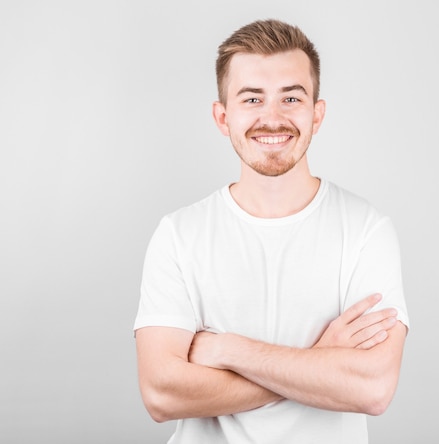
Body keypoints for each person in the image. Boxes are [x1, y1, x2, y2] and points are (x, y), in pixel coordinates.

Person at [134, 19, 409, 444]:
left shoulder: (366, 230)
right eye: (252, 98)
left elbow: (371, 388)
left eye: (291, 97)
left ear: (317, 114)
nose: (272, 117)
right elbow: (161, 394)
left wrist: (229, 350)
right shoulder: (179, 235)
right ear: (223, 117)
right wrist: (318, 364)